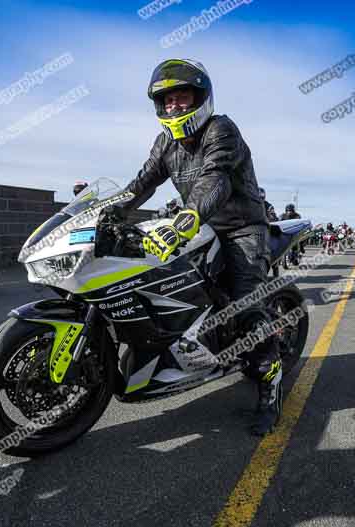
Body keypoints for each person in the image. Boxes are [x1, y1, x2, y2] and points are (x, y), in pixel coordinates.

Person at [120, 58, 282, 435]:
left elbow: (216, 179)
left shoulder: (221, 129)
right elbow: (142, 181)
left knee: (246, 308)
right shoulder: (166, 141)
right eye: (168, 100)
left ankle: (269, 389)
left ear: (200, 98)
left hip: (242, 228)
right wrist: (110, 209)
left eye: (182, 97)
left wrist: (188, 217)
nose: (175, 106)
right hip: (196, 225)